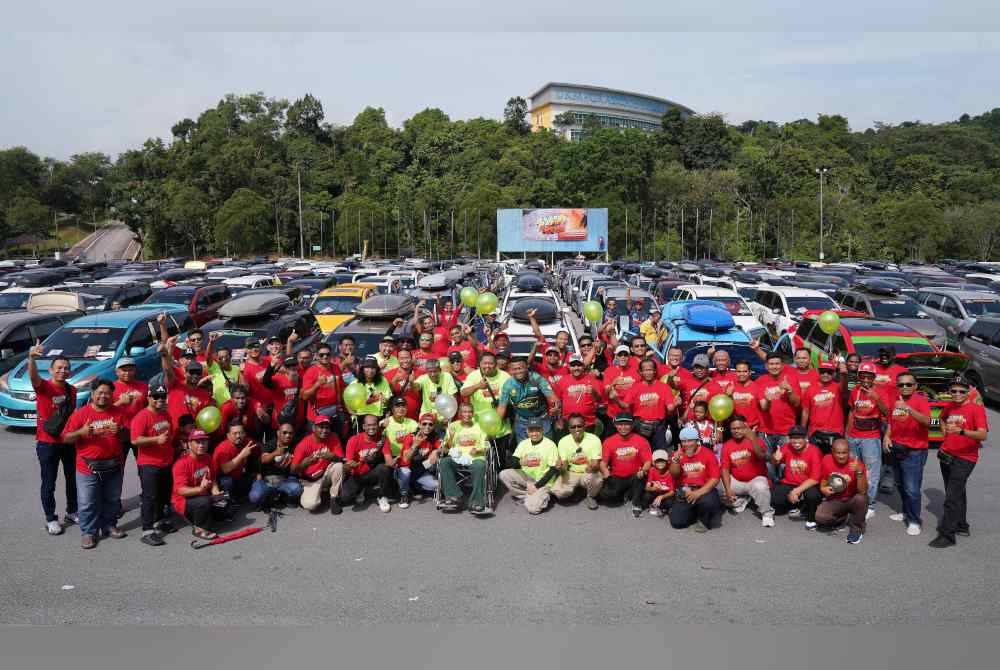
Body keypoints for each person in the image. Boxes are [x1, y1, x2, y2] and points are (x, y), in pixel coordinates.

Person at [61, 379, 128, 549]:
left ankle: (109, 525)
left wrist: (120, 432)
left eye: (107, 393)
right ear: (92, 394)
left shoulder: (119, 412)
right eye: (100, 392)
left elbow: (128, 437)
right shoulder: (81, 414)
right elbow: (65, 438)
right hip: (87, 467)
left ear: (112, 395)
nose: (103, 396)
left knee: (112, 499)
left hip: (114, 465)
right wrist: (81, 432)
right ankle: (88, 532)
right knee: (87, 502)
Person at [929, 378, 989, 548]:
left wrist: (961, 431)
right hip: (947, 454)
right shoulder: (949, 407)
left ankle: (947, 535)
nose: (956, 394)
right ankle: (962, 525)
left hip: (965, 458)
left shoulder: (976, 409)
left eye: (961, 391)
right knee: (957, 492)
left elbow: (983, 435)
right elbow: (940, 419)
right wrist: (944, 436)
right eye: (953, 391)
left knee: (951, 496)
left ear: (968, 392)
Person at [27, 342, 78, 536]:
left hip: (68, 442)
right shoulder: (44, 387)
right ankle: (50, 518)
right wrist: (31, 358)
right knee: (49, 482)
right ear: (51, 370)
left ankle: (72, 511)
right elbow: (33, 376)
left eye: (66, 368)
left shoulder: (71, 390)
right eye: (59, 368)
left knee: (72, 478)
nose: (63, 371)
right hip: (47, 443)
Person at [883, 372, 931, 536]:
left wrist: (909, 409)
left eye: (908, 384)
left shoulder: (921, 401)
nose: (904, 387)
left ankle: (914, 521)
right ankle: (905, 512)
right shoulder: (895, 401)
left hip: (915, 451)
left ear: (915, 386)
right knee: (900, 484)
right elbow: (891, 422)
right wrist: (886, 437)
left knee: (912, 488)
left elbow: (927, 422)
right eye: (901, 384)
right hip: (897, 448)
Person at [130, 384, 176, 546]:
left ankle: (159, 521)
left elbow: (169, 435)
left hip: (166, 462)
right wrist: (156, 440)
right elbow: (135, 440)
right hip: (149, 463)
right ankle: (147, 530)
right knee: (150, 497)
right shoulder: (142, 416)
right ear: (149, 397)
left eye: (163, 397)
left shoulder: (165, 414)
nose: (160, 400)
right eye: (156, 397)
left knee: (164, 495)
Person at [846, 362, 888, 518]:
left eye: (869, 376)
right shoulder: (855, 391)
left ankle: (870, 504)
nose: (865, 379)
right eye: (862, 376)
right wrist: (847, 434)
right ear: (858, 376)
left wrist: (876, 399)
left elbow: (887, 413)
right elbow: (851, 412)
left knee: (871, 472)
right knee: (854, 469)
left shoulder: (880, 392)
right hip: (854, 436)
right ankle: (856, 500)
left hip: (871, 437)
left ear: (873, 378)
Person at [719, 415, 774, 527]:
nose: (736, 431)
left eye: (739, 428)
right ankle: (741, 500)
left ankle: (767, 513)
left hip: (755, 480)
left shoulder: (757, 440)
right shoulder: (727, 445)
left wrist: (753, 438)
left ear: (746, 427)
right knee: (718, 486)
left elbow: (761, 456)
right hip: (738, 482)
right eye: (733, 429)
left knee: (760, 487)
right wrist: (728, 490)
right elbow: (725, 469)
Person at [613, 358, 676, 453]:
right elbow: (625, 405)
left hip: (659, 427)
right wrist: (615, 399)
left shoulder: (664, 387)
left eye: (650, 370)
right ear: (641, 372)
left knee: (660, 455)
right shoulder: (635, 387)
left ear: (655, 371)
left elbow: (670, 408)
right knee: (640, 454)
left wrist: (675, 404)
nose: (648, 373)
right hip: (639, 425)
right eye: (645, 370)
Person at [499, 417, 560, 514]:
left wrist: (537, 486)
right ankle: (528, 495)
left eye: (537, 430)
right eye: (531, 430)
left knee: (533, 509)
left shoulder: (550, 445)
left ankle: (542, 495)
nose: (534, 433)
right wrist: (520, 462)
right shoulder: (523, 444)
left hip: (543, 481)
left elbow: (553, 470)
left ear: (542, 430)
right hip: (527, 478)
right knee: (504, 474)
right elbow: (511, 462)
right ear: (527, 431)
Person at [171, 429, 223, 541]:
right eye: (197, 442)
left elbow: (212, 479)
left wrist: (216, 492)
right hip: (183, 501)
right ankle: (199, 529)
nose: (201, 445)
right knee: (204, 502)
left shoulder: (207, 458)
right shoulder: (181, 464)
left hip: (202, 494)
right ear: (189, 444)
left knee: (225, 507)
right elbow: (181, 491)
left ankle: (207, 516)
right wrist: (200, 489)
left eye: (204, 442)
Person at [668, 426, 723, 531]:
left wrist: (698, 493)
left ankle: (705, 519)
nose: (687, 444)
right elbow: (674, 474)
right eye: (684, 441)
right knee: (677, 523)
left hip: (704, 490)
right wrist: (676, 460)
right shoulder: (677, 454)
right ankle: (694, 511)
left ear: (697, 441)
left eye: (690, 441)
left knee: (709, 502)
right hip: (685, 490)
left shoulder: (708, 454)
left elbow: (715, 478)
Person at [816, 438, 868, 545]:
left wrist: (859, 472)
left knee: (861, 498)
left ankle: (857, 529)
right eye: (838, 453)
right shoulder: (826, 459)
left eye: (844, 452)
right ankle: (843, 518)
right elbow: (824, 480)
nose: (841, 456)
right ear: (832, 452)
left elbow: (862, 491)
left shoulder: (857, 463)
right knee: (820, 517)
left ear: (849, 452)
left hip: (853, 499)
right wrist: (823, 488)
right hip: (836, 499)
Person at [598, 413, 652, 518]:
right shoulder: (609, 441)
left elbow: (648, 462)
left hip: (635, 476)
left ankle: (636, 503)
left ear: (632, 425)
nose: (623, 427)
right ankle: (626, 493)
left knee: (641, 481)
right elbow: (603, 463)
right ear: (615, 425)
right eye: (620, 424)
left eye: (626, 424)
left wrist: (643, 470)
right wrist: (607, 475)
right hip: (617, 476)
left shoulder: (641, 441)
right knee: (608, 496)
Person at [770, 425, 823, 529]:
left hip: (808, 484)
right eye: (793, 438)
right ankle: (797, 505)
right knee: (774, 500)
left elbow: (815, 478)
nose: (796, 441)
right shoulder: (786, 447)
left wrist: (796, 491)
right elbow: (774, 462)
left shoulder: (814, 451)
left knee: (812, 496)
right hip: (790, 482)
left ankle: (811, 518)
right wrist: (775, 459)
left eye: (799, 438)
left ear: (806, 438)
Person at [757, 352, 800, 477]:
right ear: (766, 366)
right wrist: (769, 400)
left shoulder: (791, 379)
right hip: (766, 431)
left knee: (785, 465)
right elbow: (764, 406)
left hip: (786, 431)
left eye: (777, 364)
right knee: (768, 466)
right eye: (771, 364)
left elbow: (797, 403)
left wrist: (790, 390)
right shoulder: (760, 381)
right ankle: (771, 491)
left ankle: (784, 490)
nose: (774, 366)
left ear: (782, 366)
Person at [341, 414, 394, 512]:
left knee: (384, 468)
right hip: (357, 475)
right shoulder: (353, 440)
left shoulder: (382, 439)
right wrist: (349, 466)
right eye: (369, 425)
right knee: (344, 497)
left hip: (372, 473)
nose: (372, 428)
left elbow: (388, 459)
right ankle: (362, 489)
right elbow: (347, 465)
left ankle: (382, 496)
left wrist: (392, 462)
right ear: (364, 426)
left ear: (378, 426)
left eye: (374, 425)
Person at [498, 357, 560, 442]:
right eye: (514, 369)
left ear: (527, 366)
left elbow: (552, 396)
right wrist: (496, 424)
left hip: (541, 418)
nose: (518, 371)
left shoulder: (537, 378)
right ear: (510, 370)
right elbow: (502, 407)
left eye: (520, 368)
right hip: (522, 421)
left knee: (547, 446)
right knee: (523, 450)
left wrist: (556, 406)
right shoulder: (508, 385)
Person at [291, 416, 345, 514]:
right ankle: (318, 493)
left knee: (339, 466)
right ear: (313, 428)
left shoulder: (333, 437)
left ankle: (334, 498)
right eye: (321, 427)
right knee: (310, 505)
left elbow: (341, 459)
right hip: (311, 479)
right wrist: (304, 464)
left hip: (326, 473)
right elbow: (293, 470)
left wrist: (333, 456)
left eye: (327, 427)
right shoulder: (304, 444)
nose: (324, 430)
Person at [161, 336, 214, 431]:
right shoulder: (176, 384)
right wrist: (166, 353)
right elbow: (167, 369)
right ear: (185, 372)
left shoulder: (204, 395)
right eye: (192, 372)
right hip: (173, 433)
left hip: (192, 438)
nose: (195, 375)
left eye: (197, 372)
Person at [551, 413, 604, 508]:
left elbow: (596, 463)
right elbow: (565, 466)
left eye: (579, 426)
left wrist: (592, 467)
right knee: (558, 492)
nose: (576, 429)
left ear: (585, 426)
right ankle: (578, 490)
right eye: (573, 427)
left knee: (596, 479)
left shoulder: (594, 439)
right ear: (569, 429)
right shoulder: (563, 441)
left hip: (587, 472)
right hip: (572, 472)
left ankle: (590, 496)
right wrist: (560, 468)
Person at [391, 413, 440, 507]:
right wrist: (415, 445)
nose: (427, 427)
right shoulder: (410, 437)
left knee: (436, 486)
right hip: (405, 468)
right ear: (419, 424)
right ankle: (404, 495)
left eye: (430, 424)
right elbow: (405, 458)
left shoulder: (433, 438)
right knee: (406, 472)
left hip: (420, 470)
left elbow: (442, 448)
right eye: (424, 424)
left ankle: (414, 486)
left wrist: (436, 451)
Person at [253, 421, 304, 509]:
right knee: (255, 496)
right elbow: (263, 459)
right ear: (278, 433)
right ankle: (271, 496)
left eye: (290, 433)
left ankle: (282, 497)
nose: (288, 435)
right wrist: (275, 453)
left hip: (285, 480)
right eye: (284, 432)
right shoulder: (270, 444)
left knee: (297, 489)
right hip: (267, 480)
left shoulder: (296, 445)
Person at [553, 354, 605, 436]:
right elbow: (557, 402)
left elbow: (600, 400)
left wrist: (594, 392)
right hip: (568, 424)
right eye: (573, 365)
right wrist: (558, 419)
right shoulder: (562, 380)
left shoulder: (592, 379)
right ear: (569, 367)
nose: (576, 368)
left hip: (588, 423)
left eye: (579, 365)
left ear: (583, 366)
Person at [112, 357, 147, 475]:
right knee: (117, 468)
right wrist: (120, 403)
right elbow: (103, 412)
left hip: (140, 431)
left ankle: (146, 492)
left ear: (135, 370)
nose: (127, 373)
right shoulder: (111, 388)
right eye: (123, 370)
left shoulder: (143, 387)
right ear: (116, 371)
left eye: (130, 369)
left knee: (144, 466)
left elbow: (149, 407)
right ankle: (115, 493)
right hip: (121, 432)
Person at [801, 361, 845, 453]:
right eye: (823, 372)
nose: (825, 374)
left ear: (834, 373)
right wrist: (802, 431)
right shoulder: (810, 389)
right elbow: (805, 411)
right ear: (818, 372)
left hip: (835, 432)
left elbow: (844, 387)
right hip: (815, 432)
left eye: (829, 372)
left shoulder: (838, 388)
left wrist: (843, 375)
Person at [212, 421, 259, 501]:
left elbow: (260, 453)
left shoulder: (246, 442)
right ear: (228, 435)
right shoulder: (223, 448)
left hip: (238, 477)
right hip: (220, 479)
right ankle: (225, 501)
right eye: (235, 433)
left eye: (241, 433)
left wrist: (259, 473)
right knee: (227, 482)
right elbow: (225, 469)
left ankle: (237, 496)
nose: (238, 436)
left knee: (255, 480)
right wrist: (241, 455)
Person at [301, 343, 343, 426]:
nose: (325, 357)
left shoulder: (336, 368)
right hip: (316, 416)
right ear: (316, 356)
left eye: (328, 354)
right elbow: (304, 396)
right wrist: (317, 384)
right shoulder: (311, 372)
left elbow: (340, 388)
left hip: (333, 413)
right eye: (321, 355)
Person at [412, 357, 459, 425]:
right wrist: (411, 383)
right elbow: (416, 387)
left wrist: (449, 416)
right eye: (430, 371)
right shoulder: (423, 378)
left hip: (444, 416)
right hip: (427, 416)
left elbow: (453, 397)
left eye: (435, 371)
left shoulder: (447, 376)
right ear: (426, 371)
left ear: (440, 370)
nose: (432, 374)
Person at [205, 332, 242, 405]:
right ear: (217, 359)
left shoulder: (237, 369)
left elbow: (242, 389)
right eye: (220, 358)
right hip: (219, 409)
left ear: (230, 356)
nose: (224, 359)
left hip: (233, 408)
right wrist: (211, 342)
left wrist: (233, 385)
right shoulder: (214, 368)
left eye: (226, 356)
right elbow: (208, 356)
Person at [385, 349, 422, 421]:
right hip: (395, 418)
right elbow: (386, 395)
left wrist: (412, 383)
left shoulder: (420, 373)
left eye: (407, 358)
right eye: (401, 358)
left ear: (411, 359)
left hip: (415, 417)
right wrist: (394, 380)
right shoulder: (389, 374)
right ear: (397, 360)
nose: (405, 361)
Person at [729, 360, 762, 434]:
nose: (741, 374)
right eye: (739, 371)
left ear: (750, 372)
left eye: (745, 371)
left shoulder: (757, 388)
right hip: (734, 428)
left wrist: (757, 427)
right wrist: (728, 396)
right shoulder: (730, 386)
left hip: (752, 428)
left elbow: (763, 410)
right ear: (735, 372)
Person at [643, 450, 676, 517]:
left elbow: (672, 491)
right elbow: (647, 487)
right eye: (657, 461)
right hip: (656, 492)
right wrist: (653, 488)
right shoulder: (652, 470)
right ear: (653, 462)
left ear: (667, 462)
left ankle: (662, 508)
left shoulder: (670, 473)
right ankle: (653, 506)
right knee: (646, 496)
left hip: (666, 494)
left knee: (669, 502)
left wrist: (662, 497)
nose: (660, 463)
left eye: (662, 461)